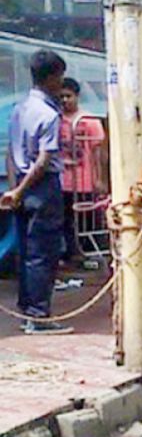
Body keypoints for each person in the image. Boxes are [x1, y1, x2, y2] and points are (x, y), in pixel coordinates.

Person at [1, 50, 73, 334]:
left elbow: (10, 152)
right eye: (60, 77)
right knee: (43, 252)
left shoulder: (20, 108)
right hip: (41, 187)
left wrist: (13, 189)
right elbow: (44, 160)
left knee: (26, 250)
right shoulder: (49, 114)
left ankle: (27, 311)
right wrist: (21, 189)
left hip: (20, 181)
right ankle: (39, 315)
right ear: (52, 77)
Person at [58, 77, 106, 265]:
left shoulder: (90, 121)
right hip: (63, 181)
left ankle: (89, 253)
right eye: (61, 96)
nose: (64, 100)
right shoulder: (56, 120)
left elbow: (98, 153)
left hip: (85, 180)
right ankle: (72, 253)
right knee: (66, 220)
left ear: (77, 96)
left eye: (68, 96)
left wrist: (99, 178)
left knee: (87, 219)